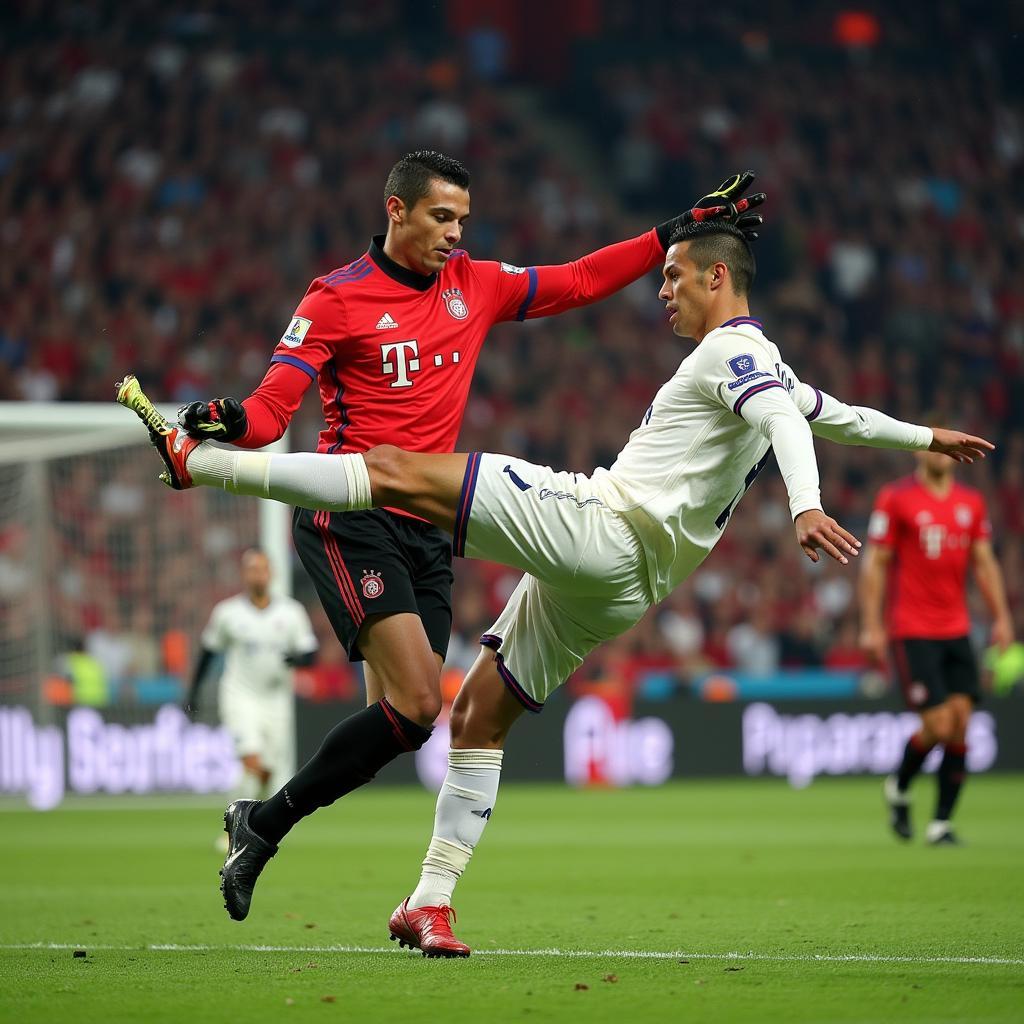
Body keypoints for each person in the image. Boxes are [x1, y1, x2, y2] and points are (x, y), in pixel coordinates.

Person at [117, 218, 993, 956]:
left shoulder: (734, 350)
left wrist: (804, 506)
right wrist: (923, 433)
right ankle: (429, 899)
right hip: (625, 587)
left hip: (597, 528)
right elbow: (827, 413)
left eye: (675, 276)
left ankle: (205, 466)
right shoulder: (757, 361)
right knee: (477, 715)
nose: (663, 291)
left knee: (387, 468)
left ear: (718, 276)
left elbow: (783, 421)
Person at [141, 149, 763, 921]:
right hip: (352, 515)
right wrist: (225, 421)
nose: (454, 235)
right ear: (395, 210)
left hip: (431, 526)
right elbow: (271, 414)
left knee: (402, 725)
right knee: (414, 703)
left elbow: (577, 280)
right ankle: (266, 830)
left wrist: (672, 230)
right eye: (441, 218)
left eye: (463, 220)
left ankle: (258, 822)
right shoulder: (334, 299)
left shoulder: (474, 282)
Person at [859, 443, 1014, 845]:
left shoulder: (971, 503)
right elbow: (875, 564)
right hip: (912, 628)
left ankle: (940, 823)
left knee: (961, 724)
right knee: (940, 723)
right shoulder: (896, 498)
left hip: (957, 628)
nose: (943, 453)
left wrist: (1001, 617)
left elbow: (984, 562)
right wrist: (871, 625)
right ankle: (899, 786)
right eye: (935, 445)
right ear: (920, 452)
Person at [185, 548, 318, 801]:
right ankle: (234, 825)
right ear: (244, 575)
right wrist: (193, 692)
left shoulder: (292, 613)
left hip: (276, 699)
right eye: (252, 570)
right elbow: (208, 653)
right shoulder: (227, 613)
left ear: (272, 574)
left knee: (267, 772)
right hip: (240, 696)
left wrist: (295, 658)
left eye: (262, 569)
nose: (257, 576)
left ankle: (250, 824)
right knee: (252, 762)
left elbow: (311, 654)